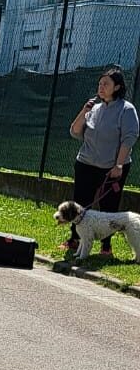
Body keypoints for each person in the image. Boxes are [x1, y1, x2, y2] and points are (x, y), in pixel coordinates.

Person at [67, 67, 139, 255]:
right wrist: (84, 111)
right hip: (86, 163)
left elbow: (129, 139)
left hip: (110, 167)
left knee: (109, 207)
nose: (101, 87)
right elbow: (75, 132)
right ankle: (75, 240)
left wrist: (119, 165)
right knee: (81, 204)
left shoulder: (126, 109)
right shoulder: (95, 109)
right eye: (100, 83)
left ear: (117, 87)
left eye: (106, 84)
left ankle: (106, 246)